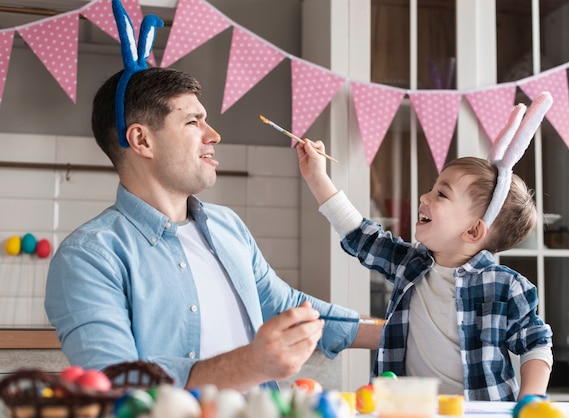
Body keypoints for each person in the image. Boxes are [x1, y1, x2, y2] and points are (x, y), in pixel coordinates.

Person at [44, 65, 382, 391]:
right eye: (193, 121)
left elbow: (286, 305)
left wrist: (399, 330)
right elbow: (114, 383)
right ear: (142, 140)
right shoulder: (89, 257)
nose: (215, 135)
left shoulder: (227, 226)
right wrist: (252, 363)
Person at [296, 137, 554, 401]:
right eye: (433, 188)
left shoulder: (506, 286)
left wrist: (529, 401)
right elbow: (360, 235)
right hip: (408, 408)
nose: (424, 196)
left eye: (441, 194)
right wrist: (317, 176)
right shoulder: (410, 264)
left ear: (474, 230)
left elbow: (536, 344)